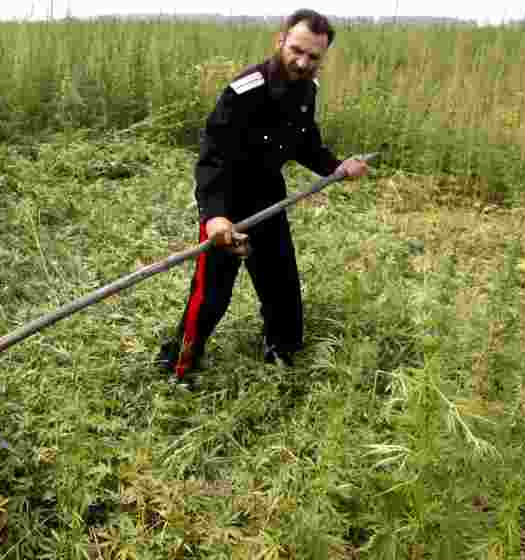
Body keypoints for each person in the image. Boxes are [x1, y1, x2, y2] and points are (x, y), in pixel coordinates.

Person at [157, 9, 370, 381]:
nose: (303, 62)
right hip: (228, 202)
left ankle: (282, 351)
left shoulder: (308, 89)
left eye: (313, 57)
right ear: (280, 41)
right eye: (296, 50)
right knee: (211, 294)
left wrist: (337, 166)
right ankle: (181, 364)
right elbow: (212, 158)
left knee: (281, 281)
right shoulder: (244, 91)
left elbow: (305, 142)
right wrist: (216, 218)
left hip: (269, 197)